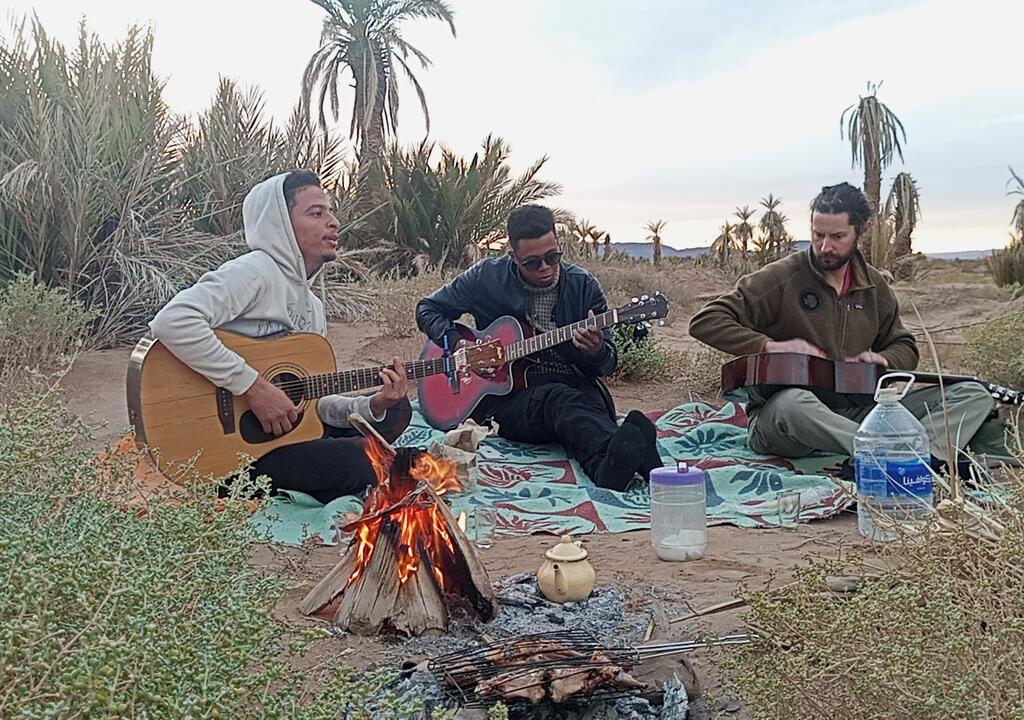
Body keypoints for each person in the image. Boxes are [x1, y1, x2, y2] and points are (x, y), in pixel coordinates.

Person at [689, 182, 996, 465]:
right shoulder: (781, 277)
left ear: (862, 230)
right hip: (787, 421)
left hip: (861, 411)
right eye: (817, 235)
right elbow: (706, 321)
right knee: (794, 404)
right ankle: (894, 458)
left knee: (973, 394)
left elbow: (904, 345)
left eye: (837, 237)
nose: (825, 246)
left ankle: (924, 457)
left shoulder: (874, 286)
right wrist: (769, 347)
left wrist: (884, 359)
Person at [149, 170, 411, 502]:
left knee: (397, 411)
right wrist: (254, 388)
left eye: (330, 212)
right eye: (316, 213)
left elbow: (313, 402)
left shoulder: (313, 306)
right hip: (231, 447)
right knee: (367, 460)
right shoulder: (254, 271)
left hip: (279, 436)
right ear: (281, 225)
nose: (333, 222)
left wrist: (374, 404)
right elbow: (173, 320)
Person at [415, 204, 662, 491]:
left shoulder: (583, 286)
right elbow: (428, 309)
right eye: (532, 263)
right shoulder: (486, 277)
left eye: (552, 257)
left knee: (582, 410)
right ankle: (631, 454)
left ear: (558, 245)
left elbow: (607, 363)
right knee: (560, 402)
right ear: (513, 257)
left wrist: (595, 350)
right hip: (509, 397)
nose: (545, 267)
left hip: (574, 383)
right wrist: (460, 345)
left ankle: (619, 462)